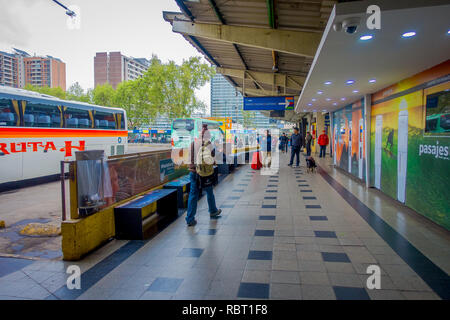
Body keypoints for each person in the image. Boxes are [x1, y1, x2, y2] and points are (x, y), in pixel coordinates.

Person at [186, 124, 221, 227]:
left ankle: (190, 218)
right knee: (209, 191)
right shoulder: (208, 144)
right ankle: (213, 211)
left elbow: (190, 158)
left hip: (193, 172)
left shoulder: (192, 143)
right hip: (205, 173)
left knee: (193, 195)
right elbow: (213, 156)